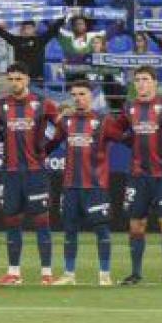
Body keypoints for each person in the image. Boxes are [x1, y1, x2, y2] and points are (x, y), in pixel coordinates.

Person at [0, 65, 60, 286]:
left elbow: (62, 127)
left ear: (27, 79)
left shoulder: (43, 104)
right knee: (12, 221)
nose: (14, 82)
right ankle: (14, 273)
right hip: (10, 173)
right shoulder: (1, 106)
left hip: (35, 172)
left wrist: (47, 148)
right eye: (11, 79)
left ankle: (46, 273)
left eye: (18, 78)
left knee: (42, 222)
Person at [109, 67, 162, 285]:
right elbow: (115, 130)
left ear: (154, 83)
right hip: (137, 175)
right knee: (136, 225)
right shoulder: (130, 107)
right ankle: (135, 274)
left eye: (145, 79)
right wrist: (128, 142)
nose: (141, 84)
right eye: (137, 80)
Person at [53, 80, 118, 286]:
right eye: (74, 95)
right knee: (70, 230)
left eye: (82, 94)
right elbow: (52, 142)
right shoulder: (66, 121)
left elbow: (124, 138)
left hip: (96, 186)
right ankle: (69, 274)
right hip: (71, 186)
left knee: (102, 230)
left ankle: (105, 274)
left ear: (91, 96)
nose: (78, 98)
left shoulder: (103, 120)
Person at [0, 15, 66, 80]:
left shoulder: (40, 40)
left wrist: (64, 16)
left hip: (37, 79)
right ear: (21, 29)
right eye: (24, 28)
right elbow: (0, 31)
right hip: (20, 78)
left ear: (34, 29)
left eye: (29, 28)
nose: (26, 30)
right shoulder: (16, 40)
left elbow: (54, 29)